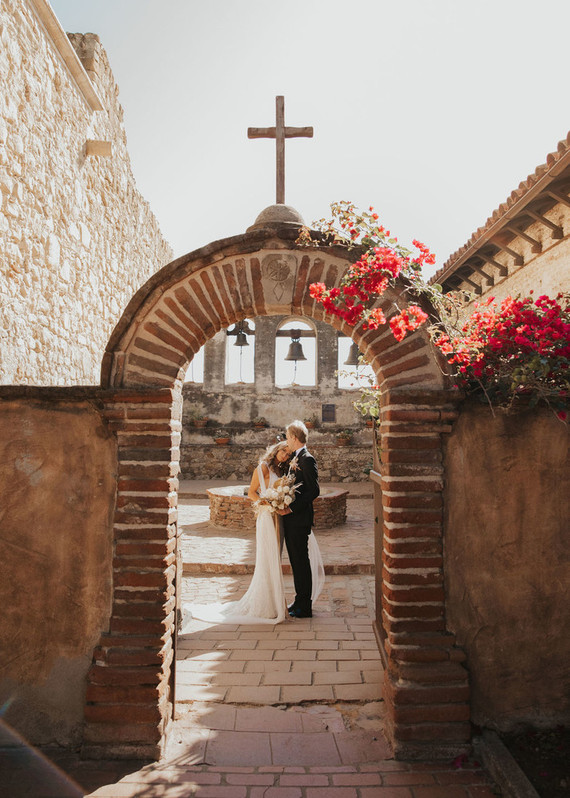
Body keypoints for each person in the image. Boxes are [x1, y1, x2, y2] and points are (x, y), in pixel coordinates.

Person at [181, 441, 292, 626]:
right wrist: (269, 503)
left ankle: (276, 602)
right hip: (266, 516)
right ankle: (265, 604)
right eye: (283, 451)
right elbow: (251, 492)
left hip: (278, 517)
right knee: (267, 557)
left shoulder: (281, 470)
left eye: (288, 454)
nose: (285, 456)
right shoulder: (263, 467)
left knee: (276, 557)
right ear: (276, 450)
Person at [277, 420, 320, 618]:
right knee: (296, 562)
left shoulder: (307, 459)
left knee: (301, 562)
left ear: (294, 438)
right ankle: (299, 601)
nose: (286, 441)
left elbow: (314, 490)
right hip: (293, 520)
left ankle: (305, 606)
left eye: (287, 437)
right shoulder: (296, 458)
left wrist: (291, 508)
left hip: (299, 519)